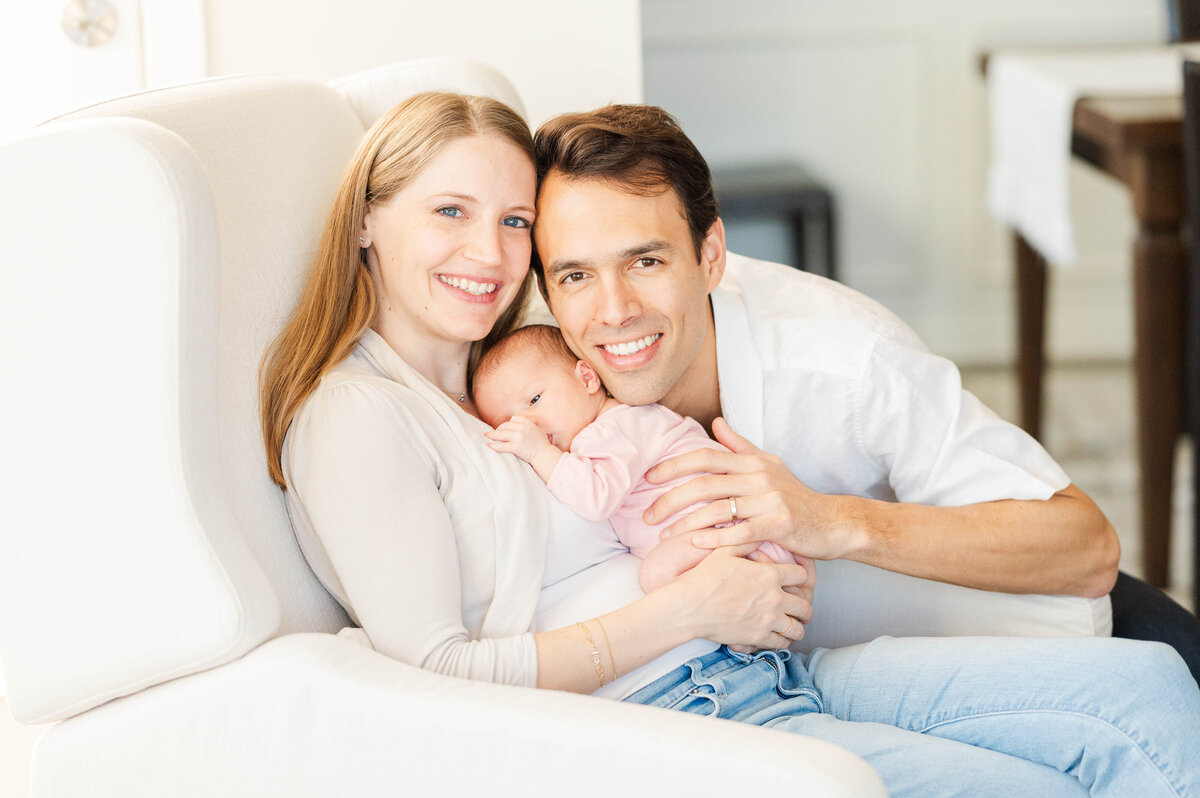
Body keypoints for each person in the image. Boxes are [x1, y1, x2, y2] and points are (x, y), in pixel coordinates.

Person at [258, 90, 1200, 795]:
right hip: (682, 701)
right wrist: (699, 601)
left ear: (711, 256)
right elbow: (438, 678)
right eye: (448, 212)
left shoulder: (505, 360)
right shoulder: (358, 414)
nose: (493, 255)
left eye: (510, 223)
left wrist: (799, 538)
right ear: (368, 220)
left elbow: (1084, 548)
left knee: (1154, 686)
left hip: (760, 658)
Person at [529, 103, 1200, 685]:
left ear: (710, 256)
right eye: (576, 276)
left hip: (1043, 629)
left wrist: (828, 520)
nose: (613, 311)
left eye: (646, 261)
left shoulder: (843, 360)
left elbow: (1086, 550)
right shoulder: (539, 381)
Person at [471, 323, 798, 594]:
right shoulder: (605, 430)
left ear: (587, 379)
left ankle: (742, 632)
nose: (528, 425)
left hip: (734, 536)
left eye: (534, 399)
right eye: (509, 424)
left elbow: (596, 498)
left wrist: (539, 452)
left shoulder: (615, 427)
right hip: (727, 540)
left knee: (657, 574)